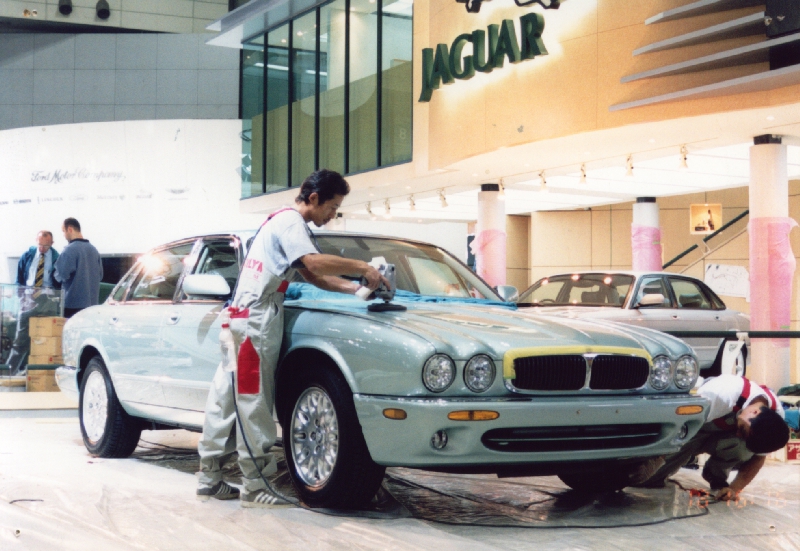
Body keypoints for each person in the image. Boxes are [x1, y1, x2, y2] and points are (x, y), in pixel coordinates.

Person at [196, 169, 390, 508]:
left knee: (224, 399)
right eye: (332, 207)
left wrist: (357, 289)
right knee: (254, 401)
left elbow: (312, 276)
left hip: (238, 321)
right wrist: (363, 267)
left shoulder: (278, 222)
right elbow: (313, 262)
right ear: (314, 198)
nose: (332, 216)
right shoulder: (291, 223)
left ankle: (209, 478)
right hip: (255, 323)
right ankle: (256, 485)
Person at [637, 374, 789, 500]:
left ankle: (715, 476)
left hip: (719, 436)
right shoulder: (722, 393)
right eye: (742, 430)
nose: (738, 434)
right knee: (648, 480)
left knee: (743, 448)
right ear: (755, 412)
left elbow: (758, 459)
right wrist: (656, 460)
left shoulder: (775, 420)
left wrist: (734, 489)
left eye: (743, 433)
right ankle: (681, 458)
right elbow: (679, 425)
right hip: (691, 429)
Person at [5, 231, 62, 375]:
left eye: (45, 246)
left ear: (52, 244)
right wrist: (22, 298)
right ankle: (8, 373)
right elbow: (19, 280)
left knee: (45, 339)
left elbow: (59, 282)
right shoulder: (27, 256)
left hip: (48, 301)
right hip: (28, 300)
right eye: (39, 245)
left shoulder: (57, 258)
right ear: (36, 241)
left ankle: (39, 374)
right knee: (20, 340)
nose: (42, 248)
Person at [54, 218, 103, 318]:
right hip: (92, 306)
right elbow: (100, 276)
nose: (63, 235)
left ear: (70, 229)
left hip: (72, 306)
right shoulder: (94, 250)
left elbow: (61, 275)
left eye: (63, 231)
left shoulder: (69, 250)